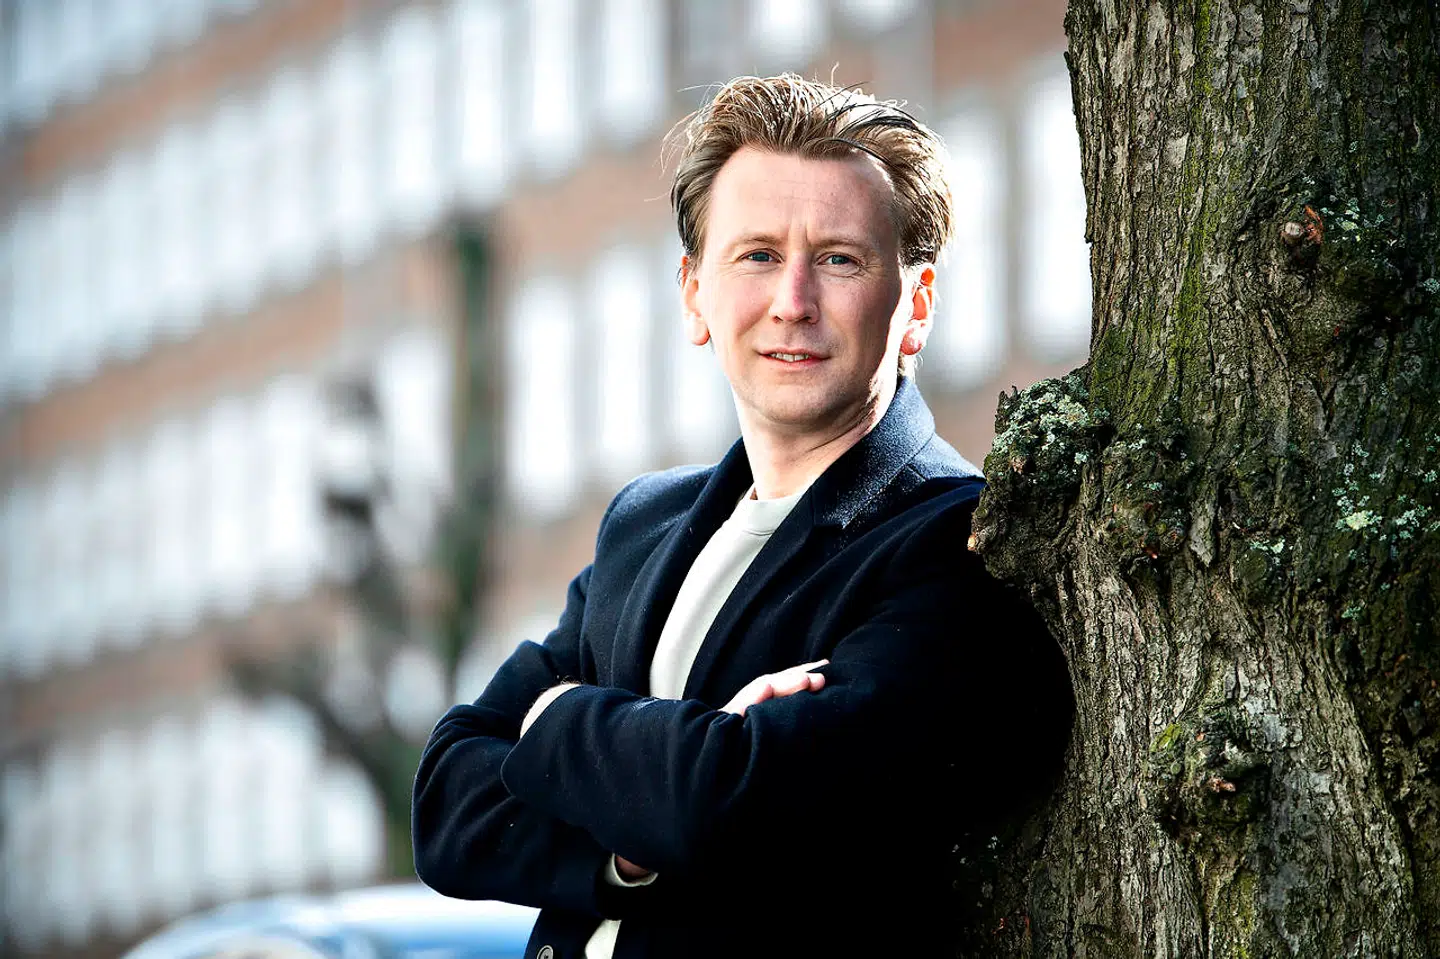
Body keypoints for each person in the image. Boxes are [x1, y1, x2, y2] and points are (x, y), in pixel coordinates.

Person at [412, 74, 1072, 959]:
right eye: (757, 254)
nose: (792, 300)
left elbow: (740, 802)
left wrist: (557, 716)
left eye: (839, 259)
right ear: (695, 294)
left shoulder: (956, 548)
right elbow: (447, 802)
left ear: (914, 307)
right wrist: (649, 823)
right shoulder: (643, 524)